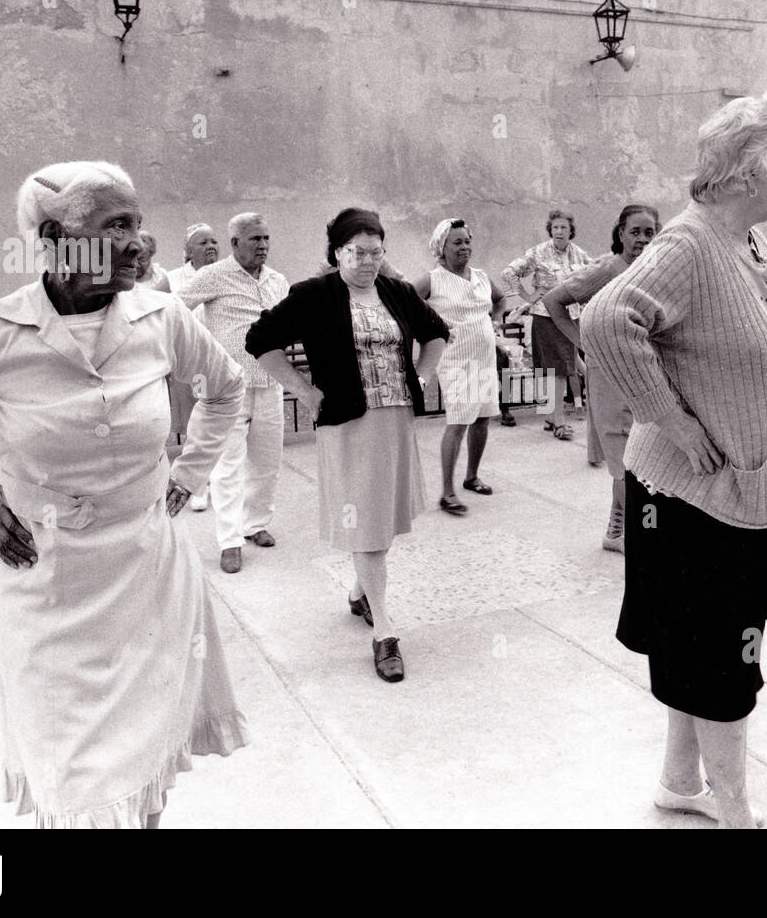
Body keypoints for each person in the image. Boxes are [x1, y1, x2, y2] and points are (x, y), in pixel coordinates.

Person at [0, 161, 247, 827]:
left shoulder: (161, 317)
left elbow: (227, 386)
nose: (138, 241)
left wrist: (188, 476)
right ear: (54, 235)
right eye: (117, 225)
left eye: (137, 222)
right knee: (72, 784)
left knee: (143, 771)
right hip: (50, 591)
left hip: (150, 579)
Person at [582, 93, 767, 828]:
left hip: (747, 488)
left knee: (698, 645)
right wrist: (669, 418)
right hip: (699, 499)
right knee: (722, 656)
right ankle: (735, 806)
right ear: (747, 173)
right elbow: (607, 318)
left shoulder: (749, 242)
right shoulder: (689, 244)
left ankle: (683, 779)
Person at [246, 208, 449, 682]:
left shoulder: (396, 292)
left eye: (376, 252)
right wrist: (305, 390)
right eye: (357, 252)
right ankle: (384, 631)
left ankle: (361, 592)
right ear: (337, 252)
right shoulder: (314, 295)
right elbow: (261, 339)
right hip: (347, 423)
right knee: (367, 525)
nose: (367, 261)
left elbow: (436, 332)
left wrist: (422, 373)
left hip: (395, 420)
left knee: (382, 520)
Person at [545, 204, 659, 552]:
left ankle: (619, 530)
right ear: (620, 233)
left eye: (649, 232)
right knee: (626, 461)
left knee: (643, 460)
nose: (641, 239)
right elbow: (554, 301)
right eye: (635, 232)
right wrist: (584, 342)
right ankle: (643, 531)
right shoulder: (608, 268)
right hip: (610, 378)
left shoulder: (655, 270)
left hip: (645, 375)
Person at [180, 213, 289, 573]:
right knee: (228, 466)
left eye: (266, 238)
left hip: (271, 383)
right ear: (235, 243)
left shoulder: (278, 281)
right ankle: (230, 541)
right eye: (255, 239)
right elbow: (176, 310)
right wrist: (199, 353)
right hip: (229, 388)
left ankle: (255, 523)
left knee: (267, 461)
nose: (263, 245)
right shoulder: (212, 275)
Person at [411, 219, 505, 515]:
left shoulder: (480, 276)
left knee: (483, 417)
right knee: (459, 421)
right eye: (457, 242)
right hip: (455, 360)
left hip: (484, 357)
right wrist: (432, 329)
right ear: (442, 248)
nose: (464, 247)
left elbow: (500, 300)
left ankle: (471, 476)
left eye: (467, 241)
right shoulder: (432, 279)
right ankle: (447, 492)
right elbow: (405, 305)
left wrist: (496, 320)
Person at [502, 209, 592, 440]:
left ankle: (551, 417)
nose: (559, 231)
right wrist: (527, 296)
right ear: (550, 230)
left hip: (571, 318)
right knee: (558, 371)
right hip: (547, 317)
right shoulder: (538, 252)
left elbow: (594, 275)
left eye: (563, 227)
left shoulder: (578, 254)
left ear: (571, 230)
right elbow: (510, 272)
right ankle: (560, 424)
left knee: (566, 367)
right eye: (555, 228)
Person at [160, 223, 220, 511]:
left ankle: (217, 481)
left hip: (218, 361)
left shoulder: (225, 276)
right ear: (187, 251)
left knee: (217, 421)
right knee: (195, 421)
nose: (211, 246)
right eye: (202, 242)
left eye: (213, 241)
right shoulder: (173, 279)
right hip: (189, 363)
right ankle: (198, 484)